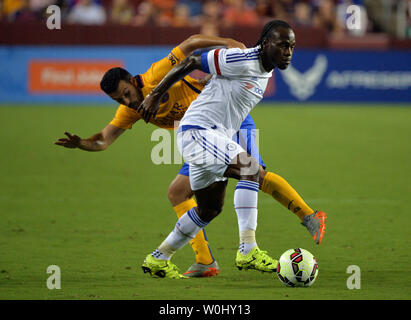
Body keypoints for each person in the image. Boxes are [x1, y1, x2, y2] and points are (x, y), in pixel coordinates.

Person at [55, 32, 326, 278]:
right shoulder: (131, 110)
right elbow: (103, 140)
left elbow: (191, 44)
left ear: (132, 81)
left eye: (126, 94)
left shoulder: (155, 76)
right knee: (190, 195)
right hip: (201, 135)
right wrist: (82, 143)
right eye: (119, 100)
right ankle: (200, 260)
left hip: (227, 124)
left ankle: (280, 231)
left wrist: (228, 45)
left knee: (252, 173)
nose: (127, 102)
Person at [137, 20, 327, 279]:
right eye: (282, 45)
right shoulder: (243, 59)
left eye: (291, 47)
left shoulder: (266, 68)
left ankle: (159, 257)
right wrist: (155, 95)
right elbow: (192, 60)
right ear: (265, 44)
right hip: (199, 131)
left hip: (213, 138)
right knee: (251, 168)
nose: (288, 52)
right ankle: (248, 249)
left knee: (209, 209)